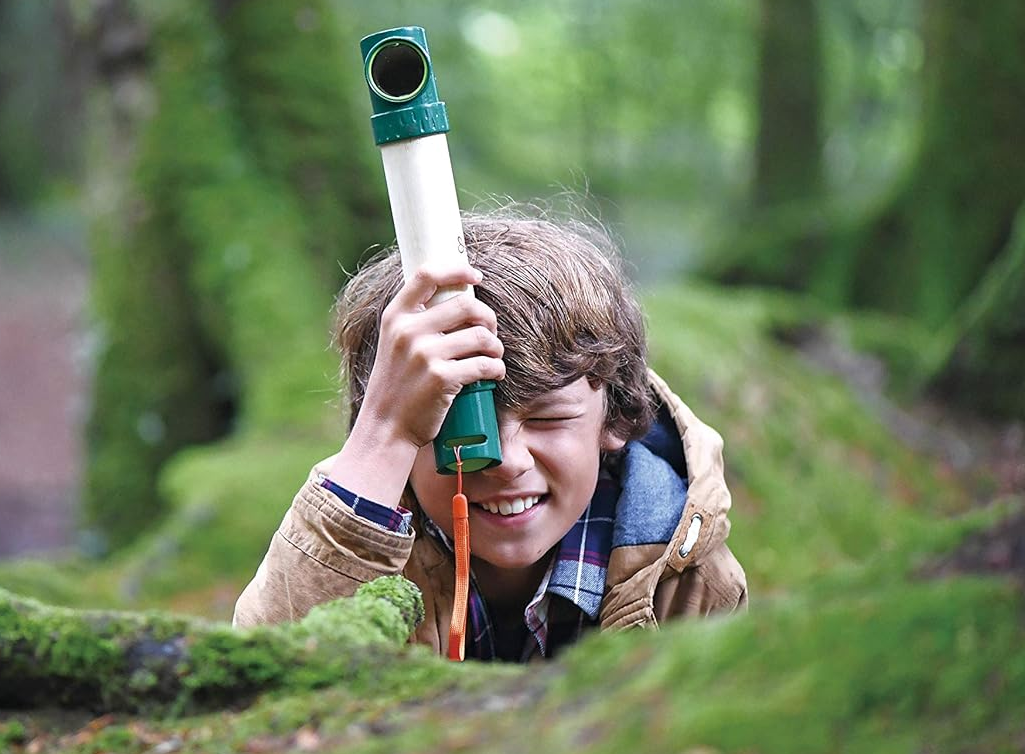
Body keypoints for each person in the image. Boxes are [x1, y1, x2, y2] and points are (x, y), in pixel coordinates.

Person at [233, 210, 747, 661]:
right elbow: (265, 694)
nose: (504, 461)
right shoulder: (363, 551)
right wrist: (382, 434)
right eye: (450, 423)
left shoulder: (689, 584)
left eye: (547, 419)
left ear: (615, 417)